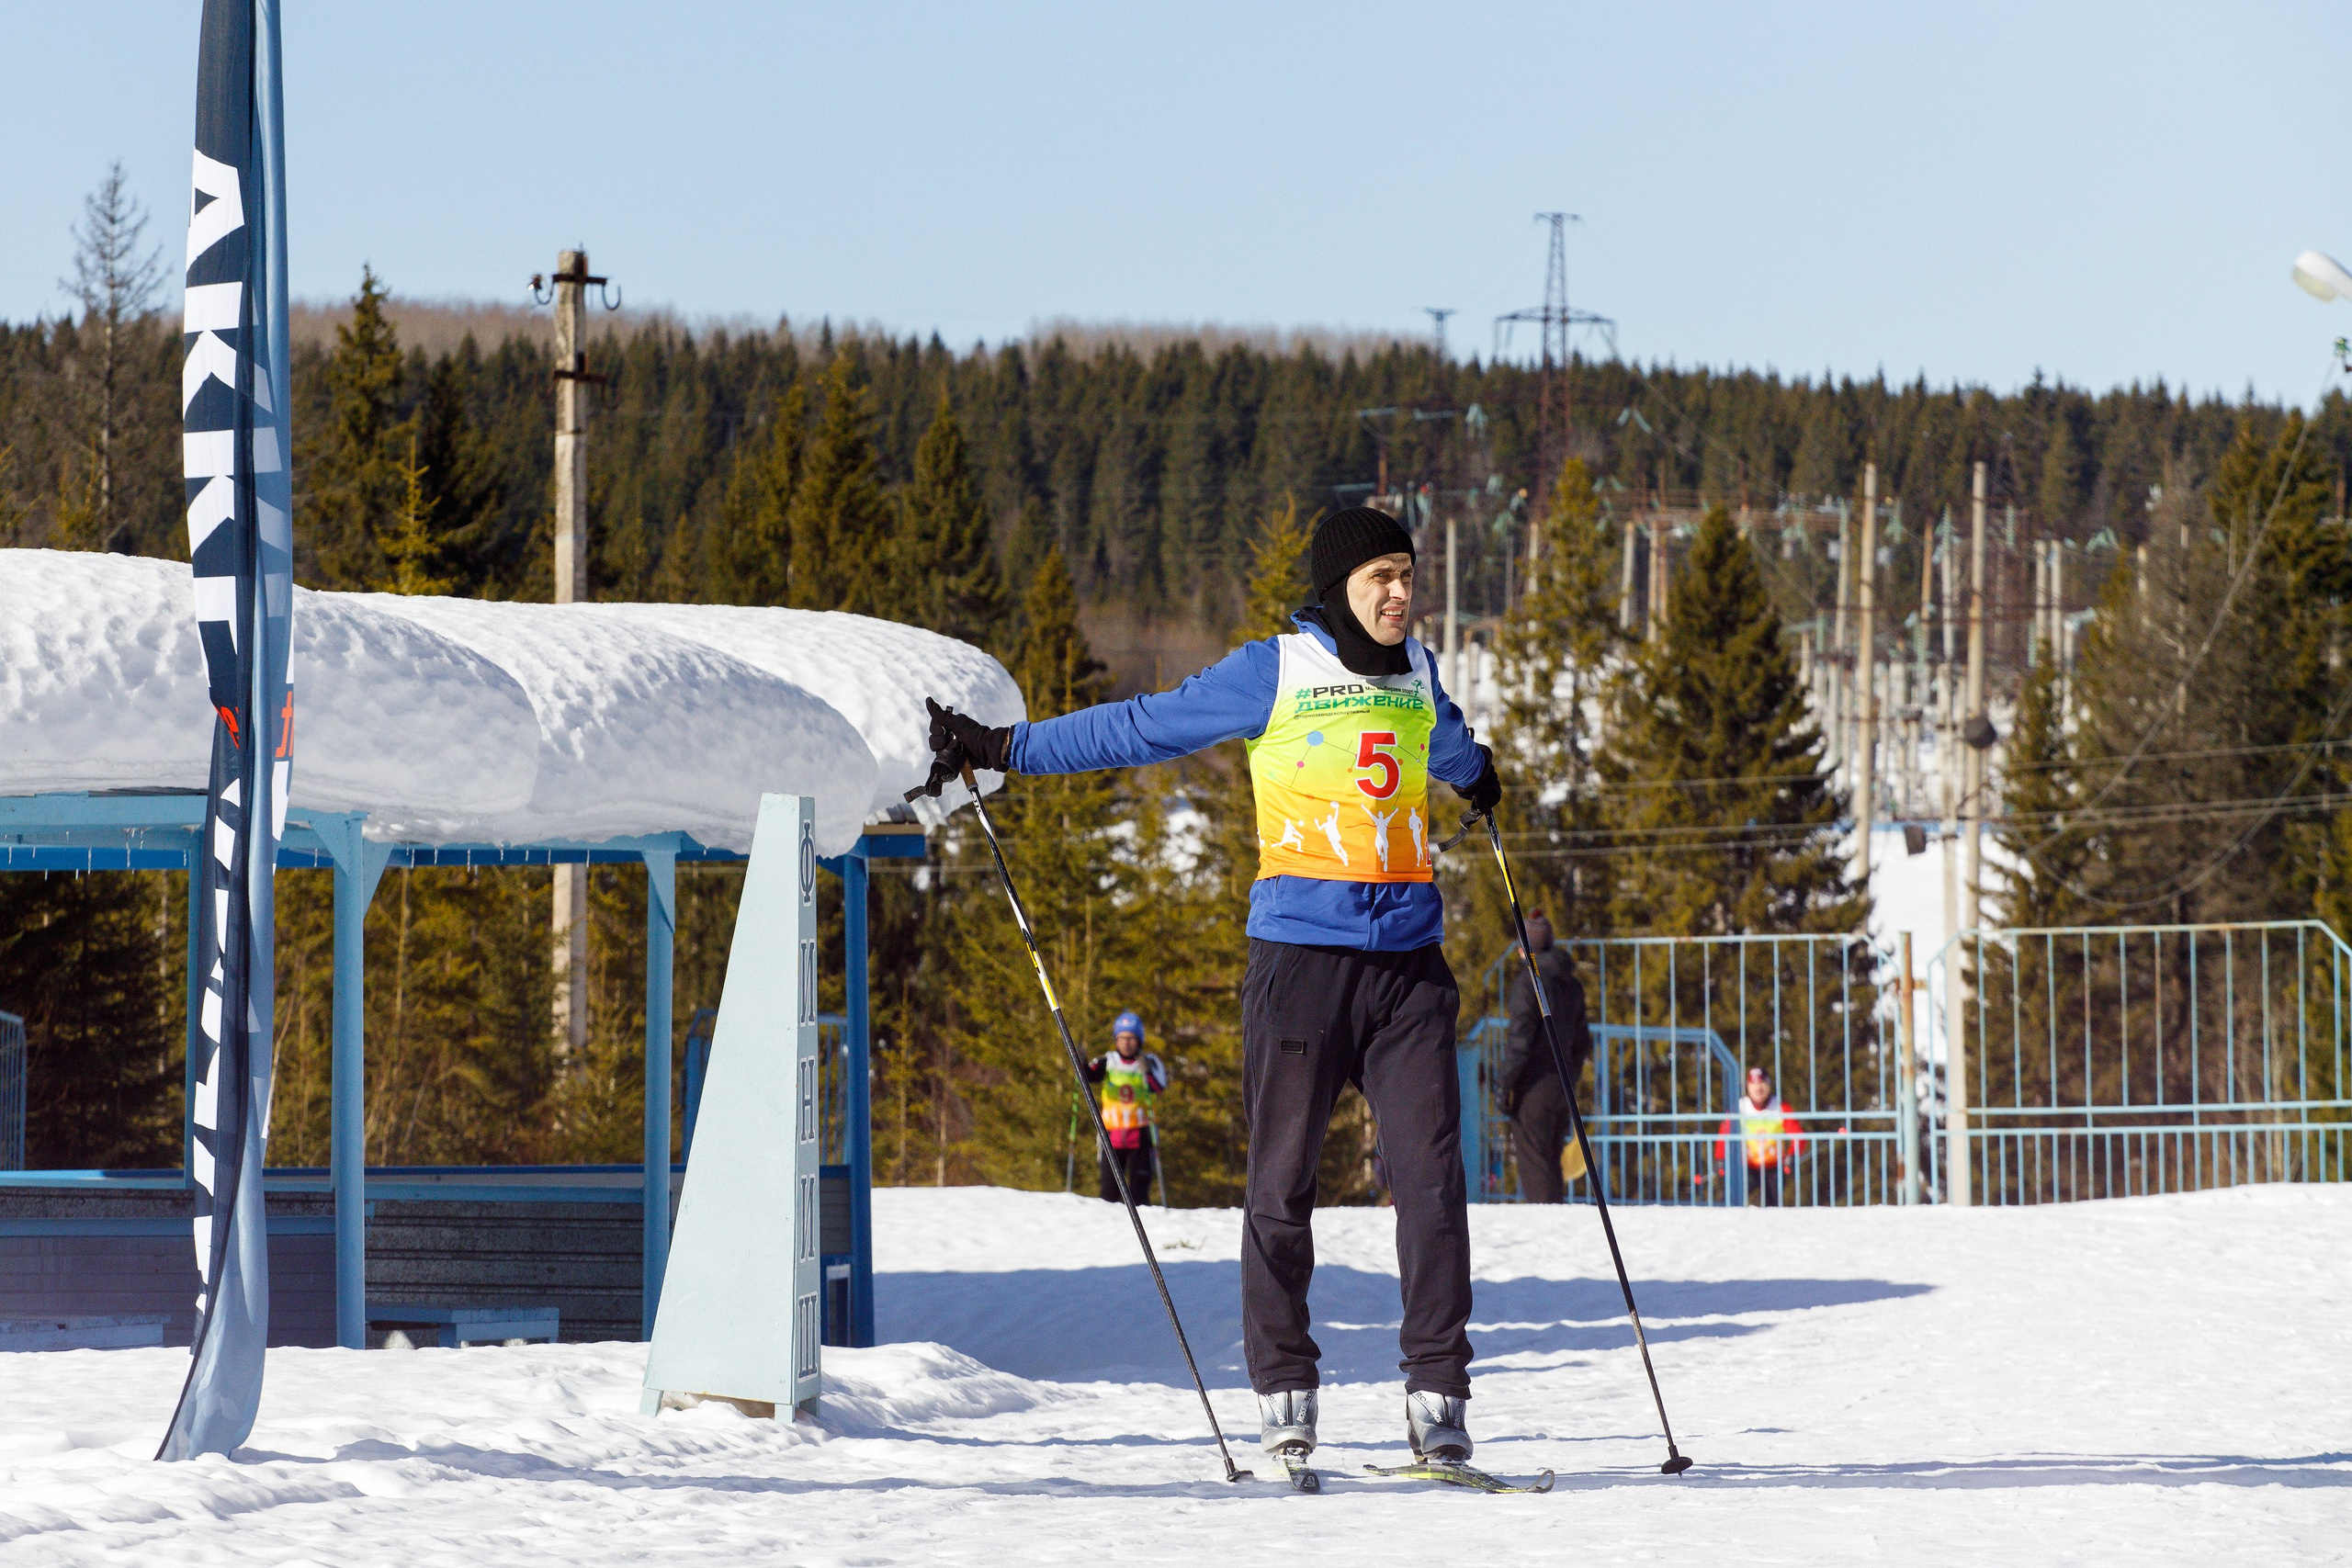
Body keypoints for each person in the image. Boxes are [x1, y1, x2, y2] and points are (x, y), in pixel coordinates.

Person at [921, 506, 1501, 1468]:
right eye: (1380, 578)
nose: (1399, 594)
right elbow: (1141, 728)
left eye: (1407, 575)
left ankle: (1437, 1396)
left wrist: (1477, 774)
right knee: (1281, 1188)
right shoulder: (1273, 670)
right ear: (1338, 589)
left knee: (1433, 1188)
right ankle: (1285, 1393)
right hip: (1301, 965)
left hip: (1408, 968)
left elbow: (1445, 748)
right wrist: (1004, 748)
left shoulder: (1421, 672)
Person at [1498, 911, 1592, 1204]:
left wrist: (1504, 1084)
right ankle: (1555, 1221)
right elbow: (1582, 1041)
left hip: (1533, 1087)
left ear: (1526, 949)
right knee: (1552, 1160)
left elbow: (1520, 1042)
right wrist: (1570, 1075)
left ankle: (1544, 1227)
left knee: (1535, 1165)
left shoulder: (1528, 984)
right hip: (1562, 1086)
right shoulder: (1571, 984)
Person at [1080, 1010, 1165, 1203]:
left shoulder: (1148, 1062)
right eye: (1122, 1038)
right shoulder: (1107, 1061)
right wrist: (1081, 1063)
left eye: (1131, 1038)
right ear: (1116, 1040)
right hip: (1112, 1134)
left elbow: (1159, 1087)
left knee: (1139, 1193)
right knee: (1109, 1191)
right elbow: (1087, 1077)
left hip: (1141, 1135)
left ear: (1139, 1040)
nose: (1126, 1043)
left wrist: (1148, 1073)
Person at [1715, 1066, 1805, 1206]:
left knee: (1773, 1206)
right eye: (1753, 1084)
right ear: (1748, 1087)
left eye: (1762, 1083)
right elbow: (1724, 1135)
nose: (1758, 1089)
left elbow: (1798, 1135)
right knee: (1730, 1199)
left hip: (1774, 1166)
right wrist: (1721, 1158)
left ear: (1769, 1085)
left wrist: (1792, 1155)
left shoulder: (1780, 1106)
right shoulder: (1740, 1107)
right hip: (1747, 1166)